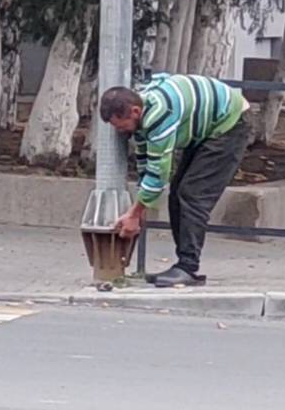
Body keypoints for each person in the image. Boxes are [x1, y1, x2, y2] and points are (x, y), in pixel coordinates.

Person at [100, 73, 251, 287]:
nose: (120, 132)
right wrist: (140, 206)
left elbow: (159, 172)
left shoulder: (159, 114)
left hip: (230, 124)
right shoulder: (142, 110)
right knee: (177, 193)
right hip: (207, 126)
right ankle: (183, 265)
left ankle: (188, 268)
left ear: (135, 111)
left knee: (192, 194)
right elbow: (145, 162)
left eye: (121, 126)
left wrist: (135, 213)